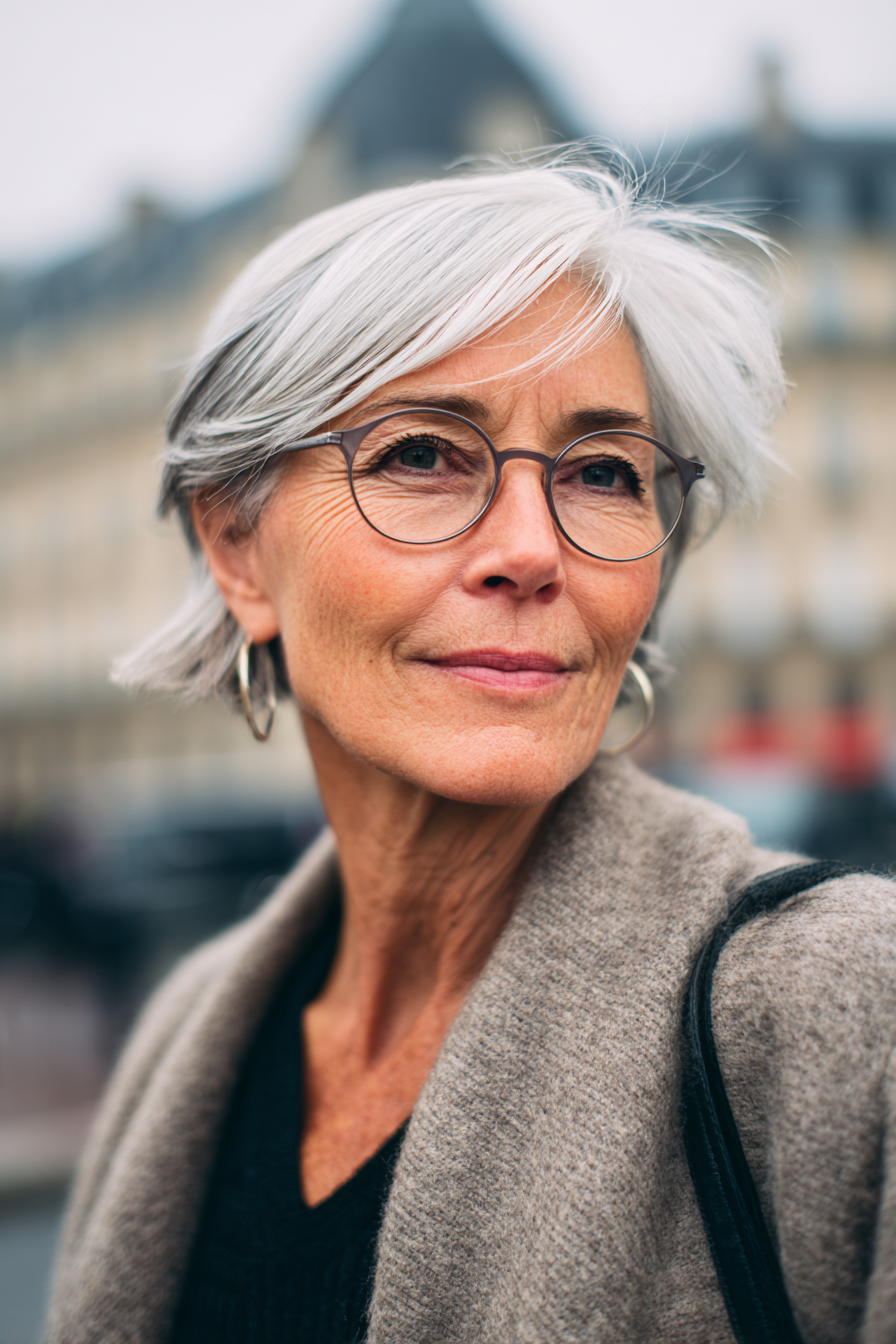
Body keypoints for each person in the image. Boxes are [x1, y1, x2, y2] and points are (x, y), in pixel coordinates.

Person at [46, 152, 896, 1344]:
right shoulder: (192, 1031)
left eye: (602, 473)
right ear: (239, 550)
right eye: (421, 454)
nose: (531, 549)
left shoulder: (849, 1011)